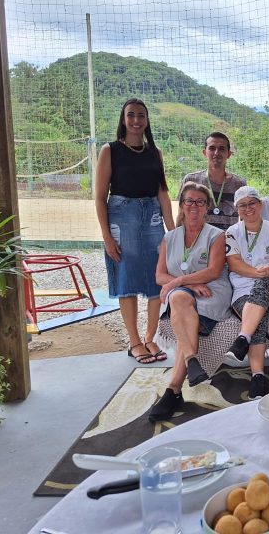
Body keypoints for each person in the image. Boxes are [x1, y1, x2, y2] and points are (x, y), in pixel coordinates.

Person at [95, 98, 174, 365]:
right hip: (121, 217)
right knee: (126, 280)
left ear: (147, 120)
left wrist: (172, 232)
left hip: (152, 217)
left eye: (141, 115)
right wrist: (107, 237)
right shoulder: (110, 150)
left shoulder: (155, 152)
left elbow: (162, 193)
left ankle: (150, 337)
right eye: (131, 115)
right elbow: (99, 197)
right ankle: (134, 342)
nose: (136, 120)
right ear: (123, 119)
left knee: (156, 279)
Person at [148, 182, 232, 422]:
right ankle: (183, 374)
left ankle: (174, 388)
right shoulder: (170, 237)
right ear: (182, 206)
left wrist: (182, 281)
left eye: (200, 202)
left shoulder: (216, 235)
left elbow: (215, 270)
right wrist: (185, 285)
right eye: (189, 201)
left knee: (178, 297)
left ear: (207, 207)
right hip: (184, 293)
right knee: (179, 298)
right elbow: (159, 275)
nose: (194, 206)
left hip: (211, 291)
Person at [224, 186, 269, 399]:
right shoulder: (232, 233)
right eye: (242, 205)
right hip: (243, 291)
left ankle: (243, 337)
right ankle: (258, 376)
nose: (248, 208)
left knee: (261, 288)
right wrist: (259, 273)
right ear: (237, 209)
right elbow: (233, 264)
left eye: (252, 203)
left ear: (260, 205)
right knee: (258, 314)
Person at [180, 131, 246, 231]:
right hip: (197, 241)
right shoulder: (191, 180)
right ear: (204, 152)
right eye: (212, 148)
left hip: (228, 241)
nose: (216, 152)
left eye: (222, 149)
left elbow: (244, 219)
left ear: (229, 154)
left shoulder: (239, 184)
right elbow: (181, 215)